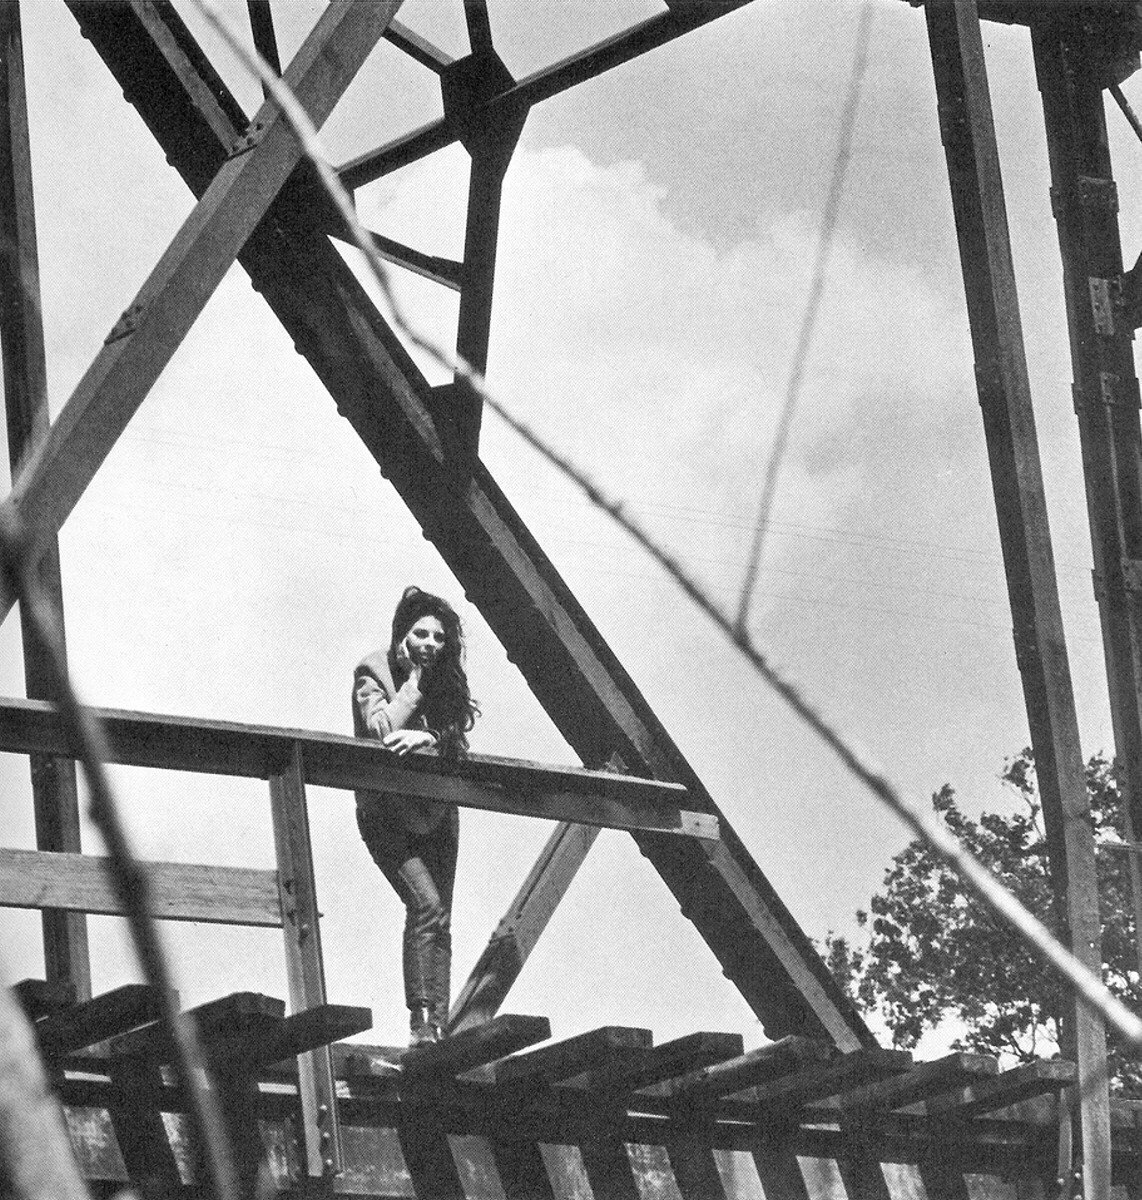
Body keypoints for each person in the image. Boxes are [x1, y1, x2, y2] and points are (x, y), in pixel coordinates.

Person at [353, 586, 479, 1047]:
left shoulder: (447, 678)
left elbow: (458, 738)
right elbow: (380, 728)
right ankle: (422, 1022)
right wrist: (414, 684)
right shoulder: (373, 670)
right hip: (386, 814)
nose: (430, 644)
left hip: (437, 811)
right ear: (402, 634)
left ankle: (438, 1029)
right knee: (425, 906)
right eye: (421, 634)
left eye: (439, 637)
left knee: (441, 917)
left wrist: (429, 739)